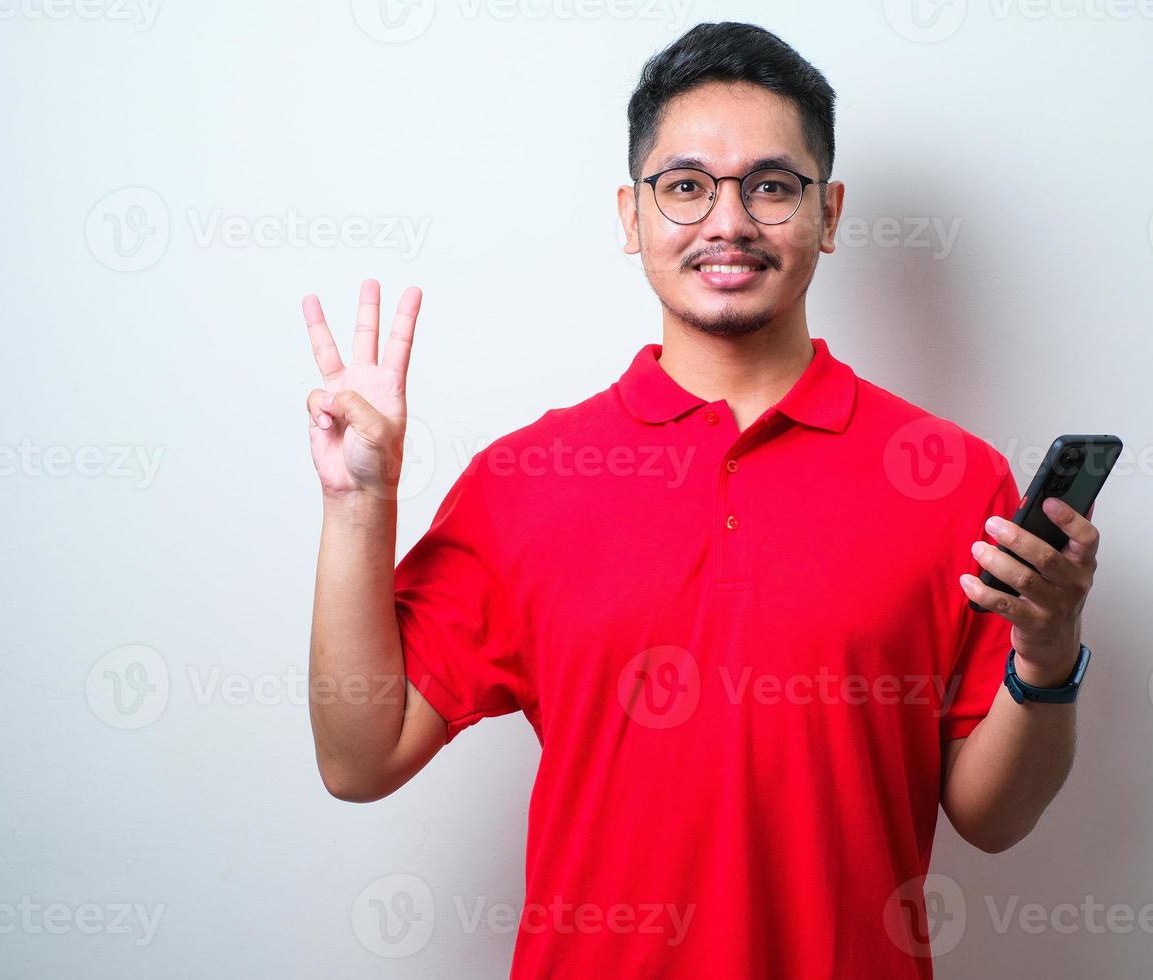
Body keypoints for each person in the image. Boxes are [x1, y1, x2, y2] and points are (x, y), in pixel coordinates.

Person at [303, 21, 1101, 979]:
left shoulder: (952, 479)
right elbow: (360, 759)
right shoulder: (529, 478)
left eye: (771, 186)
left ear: (831, 212)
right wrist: (359, 504)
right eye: (685, 187)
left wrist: (1047, 653)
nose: (728, 221)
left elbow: (994, 818)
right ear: (632, 215)